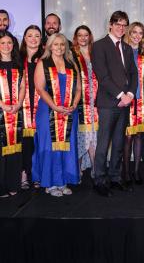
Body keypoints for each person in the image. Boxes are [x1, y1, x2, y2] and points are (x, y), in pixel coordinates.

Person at [92, 11, 138, 197]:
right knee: (103, 144)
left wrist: (130, 94)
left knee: (119, 144)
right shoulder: (99, 46)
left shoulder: (126, 48)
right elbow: (102, 76)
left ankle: (115, 177)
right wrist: (120, 95)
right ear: (110, 25)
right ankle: (100, 180)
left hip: (125, 103)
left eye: (124, 25)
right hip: (108, 103)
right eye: (118, 24)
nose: (121, 28)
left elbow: (133, 74)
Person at [32, 33, 81, 197]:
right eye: (56, 44)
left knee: (67, 145)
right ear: (49, 46)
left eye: (62, 44)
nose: (59, 47)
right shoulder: (43, 63)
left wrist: (74, 104)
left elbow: (79, 88)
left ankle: (63, 181)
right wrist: (54, 106)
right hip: (48, 111)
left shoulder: (71, 63)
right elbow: (39, 89)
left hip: (69, 111)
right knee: (49, 146)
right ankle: (50, 183)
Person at [123, 22, 144, 185]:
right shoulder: (122, 51)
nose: (137, 35)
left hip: (142, 100)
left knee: (139, 135)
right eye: (134, 32)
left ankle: (136, 171)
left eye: (140, 33)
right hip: (126, 100)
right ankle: (125, 172)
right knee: (127, 137)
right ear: (129, 33)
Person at [0, 31, 25, 197]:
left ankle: (13, 183)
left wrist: (18, 103)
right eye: (2, 43)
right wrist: (2, 105)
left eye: (9, 42)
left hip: (16, 111)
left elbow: (23, 87)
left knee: (15, 150)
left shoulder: (18, 65)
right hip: (0, 112)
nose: (6, 46)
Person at [72, 25, 98, 179]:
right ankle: (77, 171)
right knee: (81, 136)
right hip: (80, 102)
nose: (83, 38)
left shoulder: (96, 54)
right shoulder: (71, 56)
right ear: (76, 37)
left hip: (96, 102)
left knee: (94, 136)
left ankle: (96, 170)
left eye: (86, 35)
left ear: (90, 37)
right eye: (79, 35)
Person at [19, 25, 43, 189]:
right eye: (30, 36)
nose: (33, 39)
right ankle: (23, 175)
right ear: (25, 38)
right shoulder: (17, 58)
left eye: (36, 36)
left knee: (39, 143)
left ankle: (37, 174)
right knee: (24, 143)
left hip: (42, 105)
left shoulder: (45, 59)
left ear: (41, 39)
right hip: (22, 107)